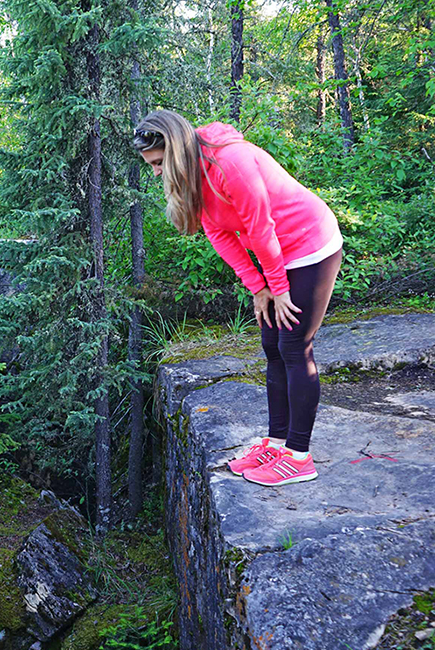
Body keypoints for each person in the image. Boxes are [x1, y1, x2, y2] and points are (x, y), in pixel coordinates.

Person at [134, 110, 343, 487]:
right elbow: (219, 233)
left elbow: (261, 229)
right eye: (152, 165)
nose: (156, 173)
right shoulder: (194, 174)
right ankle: (277, 444)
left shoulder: (230, 162)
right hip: (277, 254)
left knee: (294, 345)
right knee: (271, 344)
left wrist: (277, 289)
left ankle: (299, 456)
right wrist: (258, 288)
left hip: (310, 245)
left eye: (160, 163)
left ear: (178, 150)